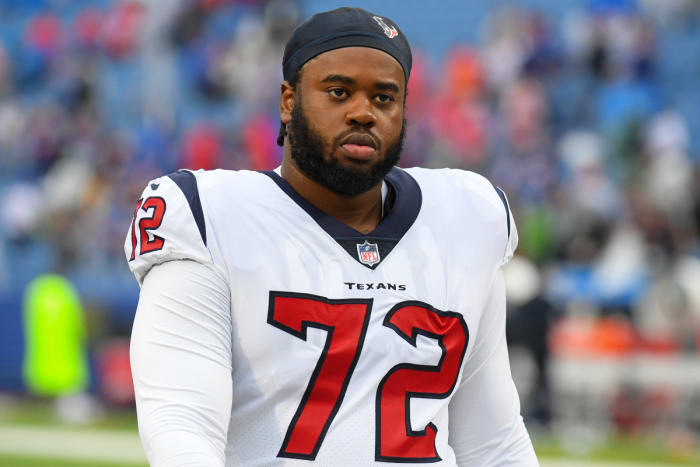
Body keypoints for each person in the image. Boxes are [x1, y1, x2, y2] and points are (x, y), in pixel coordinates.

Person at [126, 7, 538, 466]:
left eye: (384, 98)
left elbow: (493, 440)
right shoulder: (208, 215)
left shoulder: (467, 216)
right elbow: (182, 426)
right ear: (288, 100)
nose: (363, 112)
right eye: (339, 92)